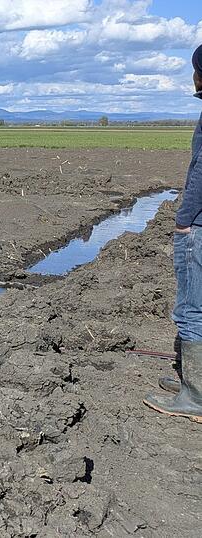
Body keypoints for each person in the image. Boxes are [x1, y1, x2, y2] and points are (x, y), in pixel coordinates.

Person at [144, 44, 202, 423]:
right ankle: (190, 381)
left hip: (199, 225)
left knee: (193, 307)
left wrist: (184, 216)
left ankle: (194, 397)